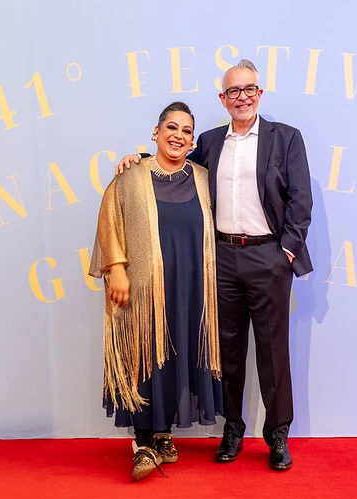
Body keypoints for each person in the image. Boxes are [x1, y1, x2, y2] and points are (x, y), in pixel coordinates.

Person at [116, 60, 313, 471]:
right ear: (222, 99)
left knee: (274, 353)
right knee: (226, 352)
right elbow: (173, 160)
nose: (241, 96)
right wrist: (135, 157)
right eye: (233, 91)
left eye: (249, 89)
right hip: (220, 259)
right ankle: (233, 430)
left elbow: (300, 201)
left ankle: (277, 435)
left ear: (260, 93)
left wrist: (286, 253)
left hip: (268, 257)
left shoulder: (286, 139)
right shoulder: (208, 141)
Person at [89, 101, 223, 482]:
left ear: (192, 140)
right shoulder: (131, 176)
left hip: (193, 287)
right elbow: (109, 219)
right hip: (145, 286)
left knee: (178, 355)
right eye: (171, 128)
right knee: (146, 356)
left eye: (186, 131)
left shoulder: (201, 177)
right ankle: (143, 442)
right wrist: (116, 269)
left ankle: (164, 437)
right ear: (156, 132)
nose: (178, 135)